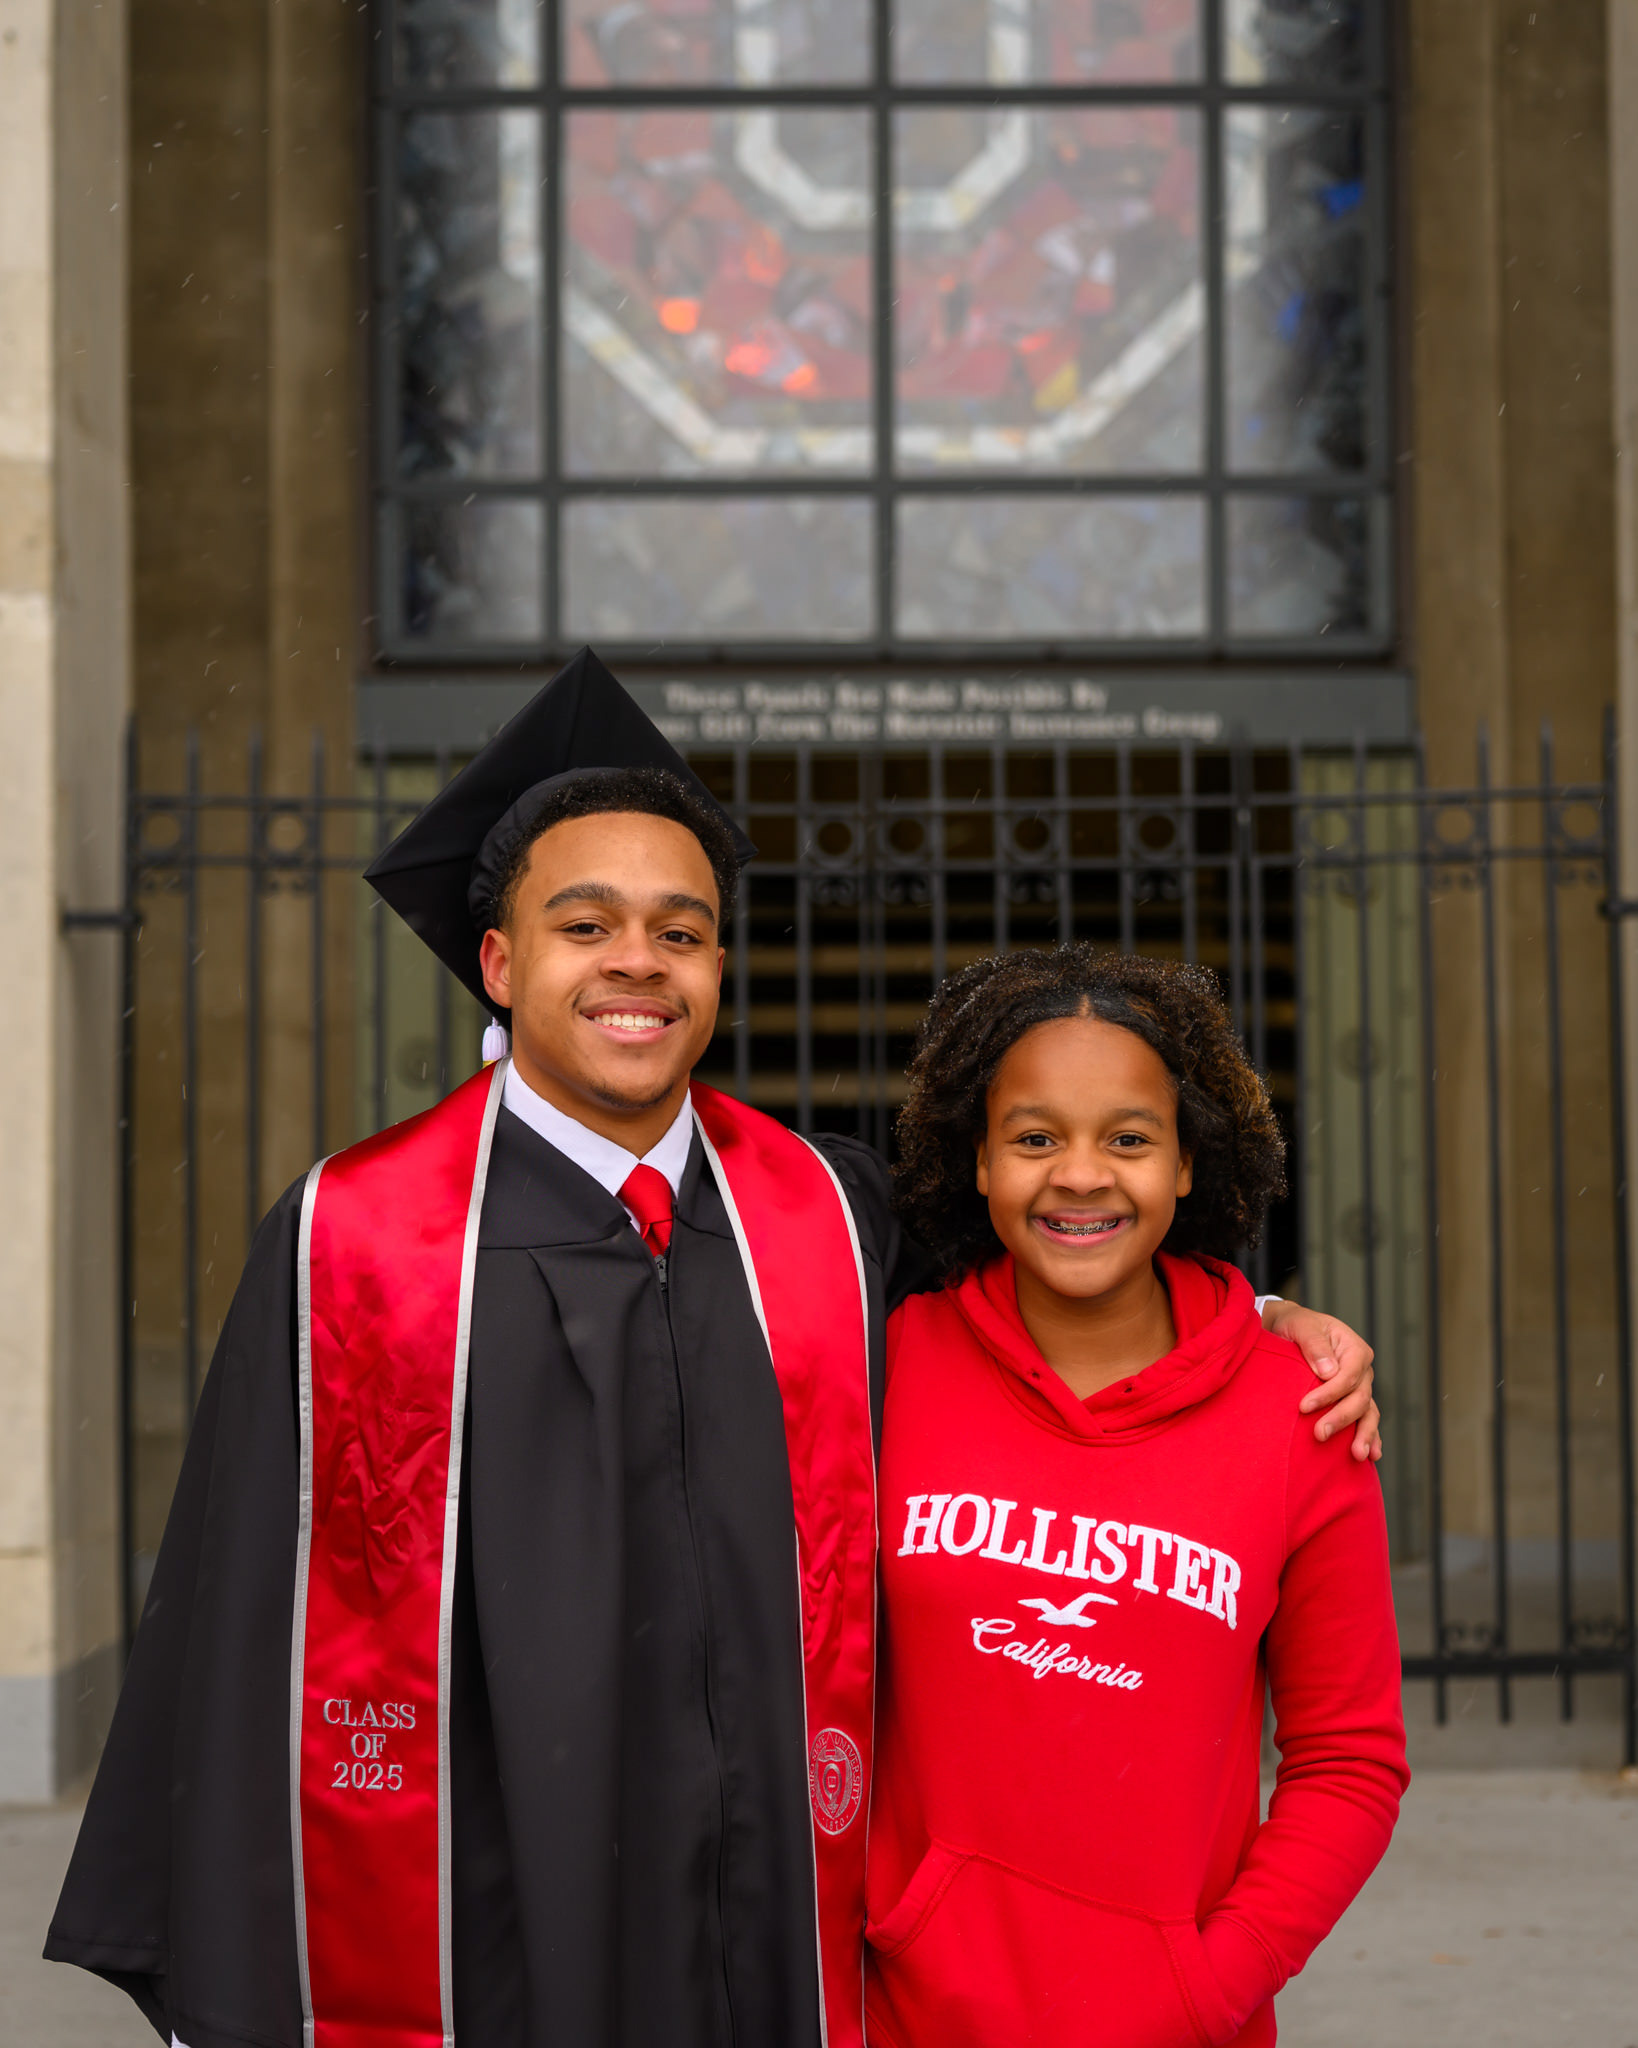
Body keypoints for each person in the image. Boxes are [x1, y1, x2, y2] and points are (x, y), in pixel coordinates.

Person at [46, 650, 1381, 2048]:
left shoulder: (822, 1215)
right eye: (586, 924)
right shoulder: (356, 1242)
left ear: (718, 967)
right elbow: (240, 1624)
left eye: (679, 931)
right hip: (494, 1922)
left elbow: (1068, 1264)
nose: (638, 960)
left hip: (769, 1914)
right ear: (499, 963)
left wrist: (1266, 1315)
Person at [866, 947, 1408, 2048]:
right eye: (1035, 1138)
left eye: (1128, 1138)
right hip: (904, 2012)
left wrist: (1207, 1985)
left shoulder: (1303, 1416)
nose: (1081, 1175)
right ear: (979, 1160)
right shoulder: (882, 1367)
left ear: (1187, 1163)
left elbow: (1350, 1761)